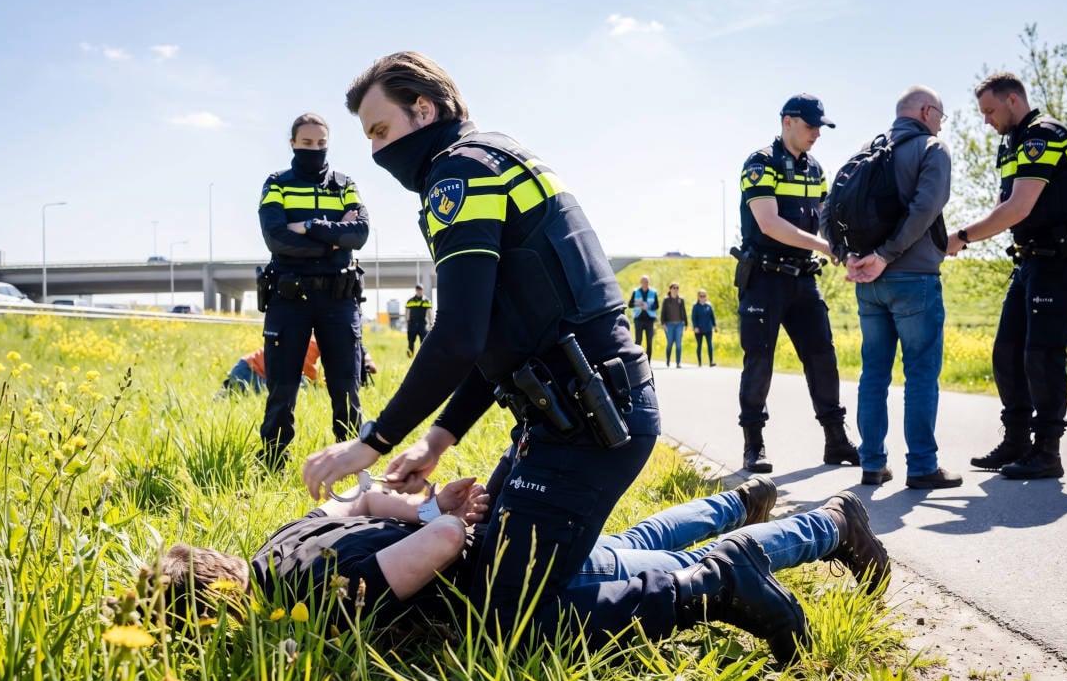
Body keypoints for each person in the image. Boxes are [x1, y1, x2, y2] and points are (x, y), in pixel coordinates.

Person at [301, 50, 759, 650]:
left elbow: (460, 333)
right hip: (573, 412)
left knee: (506, 624)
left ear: (424, 108)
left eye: (381, 131)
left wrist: (372, 442)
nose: (377, 152)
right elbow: (499, 334)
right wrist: (437, 440)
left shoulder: (457, 174)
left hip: (590, 422)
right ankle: (787, 523)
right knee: (504, 572)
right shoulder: (489, 153)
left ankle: (722, 583)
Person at [160, 475, 889, 666]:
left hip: (511, 571)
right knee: (629, 544)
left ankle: (828, 525)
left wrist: (443, 525)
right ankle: (738, 501)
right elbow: (364, 499)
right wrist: (423, 510)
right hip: (522, 540)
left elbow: (437, 551)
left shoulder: (312, 600)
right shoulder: (279, 543)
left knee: (678, 567)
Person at [947, 73, 1067, 480]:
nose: (986, 120)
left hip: (1061, 260)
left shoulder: (1043, 135)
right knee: (1007, 352)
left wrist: (959, 238)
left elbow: (1019, 208)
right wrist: (967, 235)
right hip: (1030, 260)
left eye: (990, 111)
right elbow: (1002, 205)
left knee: (1041, 354)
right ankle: (1016, 441)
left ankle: (1047, 451)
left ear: (1014, 100)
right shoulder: (1011, 144)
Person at [842, 86, 962, 490]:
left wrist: (849, 255)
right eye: (941, 116)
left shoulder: (867, 150)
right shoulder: (933, 149)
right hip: (914, 280)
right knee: (921, 373)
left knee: (874, 372)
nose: (941, 123)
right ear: (927, 111)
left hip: (869, 282)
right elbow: (926, 209)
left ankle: (872, 464)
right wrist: (888, 253)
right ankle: (923, 466)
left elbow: (832, 205)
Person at [735, 93, 860, 474]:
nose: (817, 133)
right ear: (787, 121)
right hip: (764, 279)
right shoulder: (760, 163)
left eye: (821, 127)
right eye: (810, 126)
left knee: (823, 355)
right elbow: (769, 223)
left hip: (803, 279)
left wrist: (844, 246)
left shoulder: (815, 169)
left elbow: (824, 218)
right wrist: (826, 246)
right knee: (759, 360)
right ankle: (753, 445)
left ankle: (835, 439)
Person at [257, 113, 370, 468]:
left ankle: (351, 466)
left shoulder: (344, 183)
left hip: (339, 299)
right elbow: (276, 238)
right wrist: (333, 241)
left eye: (321, 144)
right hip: (289, 300)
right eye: (307, 143)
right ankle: (273, 462)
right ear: (293, 143)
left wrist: (308, 225)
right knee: (282, 389)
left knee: (346, 389)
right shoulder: (277, 183)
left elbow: (360, 234)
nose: (315, 149)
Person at [629, 275, 660, 362]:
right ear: (641, 282)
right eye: (643, 282)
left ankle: (648, 362)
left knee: (649, 342)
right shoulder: (635, 292)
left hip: (649, 320)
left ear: (648, 282)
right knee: (638, 341)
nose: (645, 283)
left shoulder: (653, 292)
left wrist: (649, 306)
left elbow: (657, 305)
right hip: (638, 319)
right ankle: (637, 361)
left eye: (647, 282)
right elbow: (630, 304)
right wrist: (638, 304)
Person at [659, 282, 687, 368]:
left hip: (679, 324)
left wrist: (686, 324)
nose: (675, 290)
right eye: (673, 288)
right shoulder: (666, 300)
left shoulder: (681, 300)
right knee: (670, 343)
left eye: (677, 288)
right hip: (669, 325)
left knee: (678, 344)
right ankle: (668, 360)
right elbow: (662, 313)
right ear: (670, 289)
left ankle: (678, 363)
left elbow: (684, 312)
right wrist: (663, 323)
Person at [690, 288, 718, 367]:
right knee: (699, 345)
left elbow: (712, 317)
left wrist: (715, 326)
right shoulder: (695, 306)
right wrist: (695, 327)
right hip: (699, 329)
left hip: (708, 329)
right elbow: (693, 318)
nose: (703, 297)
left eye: (704, 296)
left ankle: (711, 362)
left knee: (710, 345)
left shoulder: (709, 306)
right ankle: (699, 362)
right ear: (698, 297)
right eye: (701, 296)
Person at [405, 284, 433, 357]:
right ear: (416, 290)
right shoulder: (410, 301)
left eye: (420, 290)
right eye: (418, 290)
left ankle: (423, 356)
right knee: (411, 341)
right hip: (412, 324)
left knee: (423, 342)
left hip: (422, 324)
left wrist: (430, 323)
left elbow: (430, 312)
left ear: (422, 290)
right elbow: (407, 312)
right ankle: (410, 356)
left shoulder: (426, 301)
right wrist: (407, 323)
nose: (419, 291)